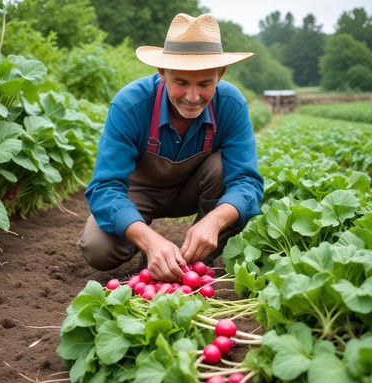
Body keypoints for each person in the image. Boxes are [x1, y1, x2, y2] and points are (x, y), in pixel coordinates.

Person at [77, 13, 264, 282]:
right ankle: (152, 252)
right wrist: (151, 241)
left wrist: (214, 220)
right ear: (162, 73)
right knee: (99, 249)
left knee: (226, 176)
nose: (192, 97)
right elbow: (104, 188)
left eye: (204, 84)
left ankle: (193, 263)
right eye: (181, 83)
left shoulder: (231, 105)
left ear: (219, 75)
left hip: (195, 188)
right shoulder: (130, 105)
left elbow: (247, 182)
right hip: (138, 193)